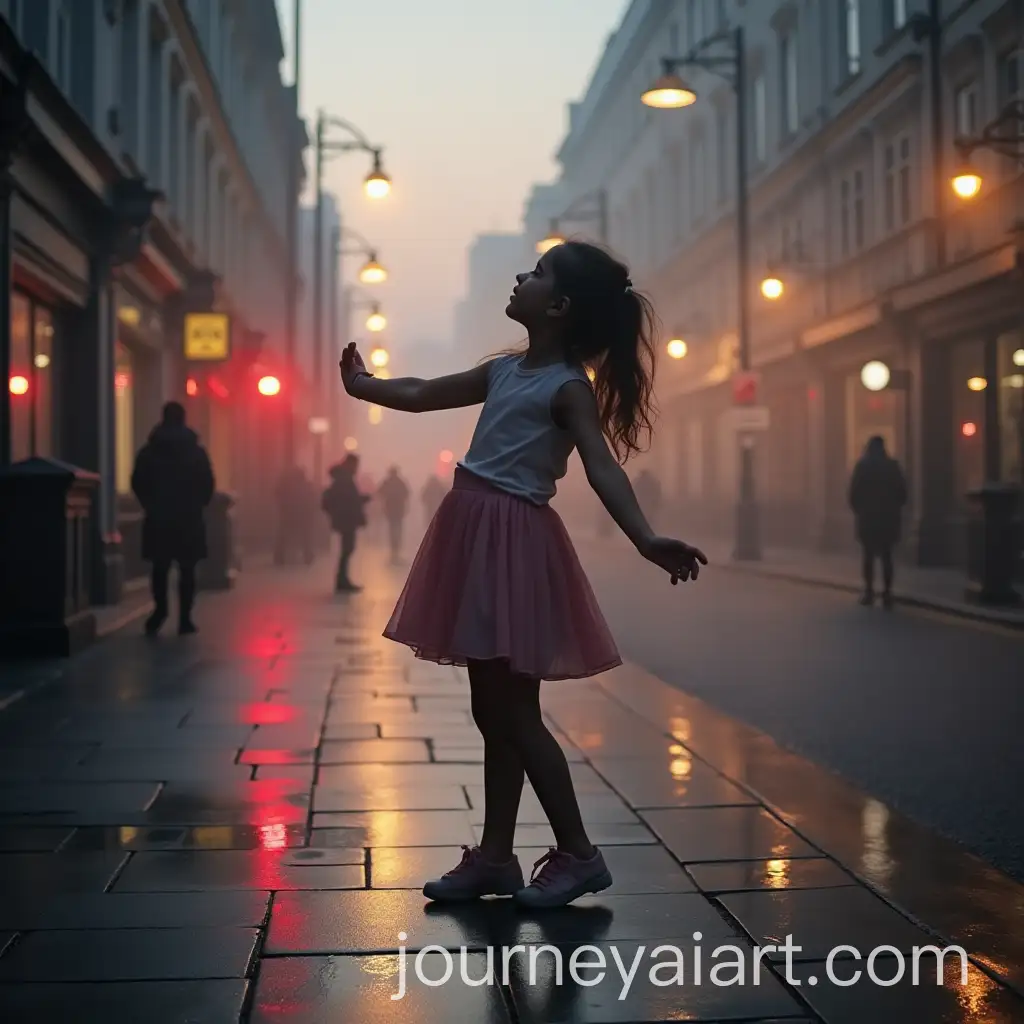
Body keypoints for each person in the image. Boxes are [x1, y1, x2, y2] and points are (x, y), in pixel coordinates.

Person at [339, 240, 706, 908]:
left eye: (536, 274)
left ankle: (579, 853)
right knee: (493, 710)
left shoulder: (567, 388)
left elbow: (601, 466)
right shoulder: (506, 371)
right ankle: (496, 856)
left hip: (511, 541)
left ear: (558, 306)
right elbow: (424, 393)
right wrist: (365, 387)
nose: (520, 277)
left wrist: (646, 538)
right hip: (477, 534)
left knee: (514, 712)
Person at [131, 401, 215, 636]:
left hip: (159, 517)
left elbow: (137, 481)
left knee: (160, 567)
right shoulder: (196, 452)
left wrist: (149, 504)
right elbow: (207, 483)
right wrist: (198, 504)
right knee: (187, 569)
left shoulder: (149, 452)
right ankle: (185, 618)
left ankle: (160, 610)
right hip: (189, 517)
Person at [848, 435, 907, 609]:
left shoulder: (862, 467)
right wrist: (894, 509)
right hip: (888, 518)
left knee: (868, 557)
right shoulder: (892, 466)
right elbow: (902, 493)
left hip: (868, 518)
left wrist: (860, 510)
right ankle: (887, 593)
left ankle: (869, 592)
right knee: (887, 557)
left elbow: (853, 494)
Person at [321, 455, 371, 592]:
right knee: (347, 549)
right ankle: (342, 580)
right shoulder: (345, 480)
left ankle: (343, 579)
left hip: (345, 518)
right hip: (347, 519)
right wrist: (363, 499)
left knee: (347, 549)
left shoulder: (342, 478)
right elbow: (348, 499)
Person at [274, 465, 315, 566]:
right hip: (302, 514)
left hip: (288, 514)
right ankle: (308, 555)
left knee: (283, 535)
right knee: (305, 535)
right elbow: (311, 498)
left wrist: (283, 506)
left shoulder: (285, 485)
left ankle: (279, 556)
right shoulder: (306, 486)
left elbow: (277, 495)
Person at [376, 466, 411, 563]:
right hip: (399, 510)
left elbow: (379, 492)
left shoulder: (387, 482)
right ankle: (396, 549)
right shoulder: (400, 482)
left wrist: (387, 498)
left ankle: (393, 549)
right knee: (398, 529)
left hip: (390, 510)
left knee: (392, 529)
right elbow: (407, 493)